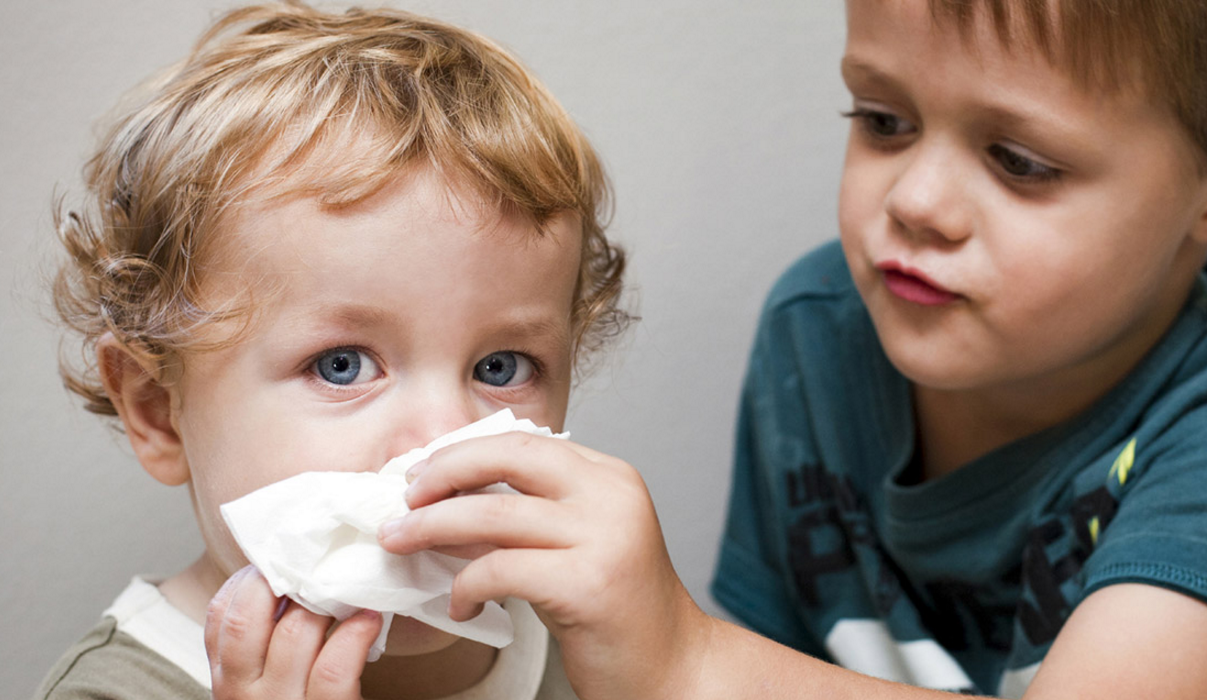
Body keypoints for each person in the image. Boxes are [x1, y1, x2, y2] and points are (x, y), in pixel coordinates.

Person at [376, 0, 1207, 698]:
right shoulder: (819, 334)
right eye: (883, 122)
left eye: (1018, 162)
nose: (915, 202)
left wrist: (685, 658)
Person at [34, 2, 627, 699]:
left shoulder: (592, 649)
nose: (444, 443)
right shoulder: (117, 691)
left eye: (501, 368)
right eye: (340, 365)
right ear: (158, 408)